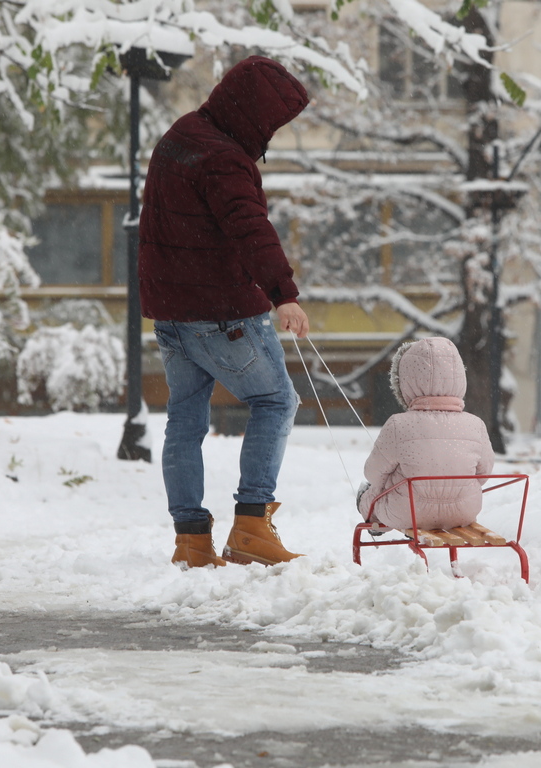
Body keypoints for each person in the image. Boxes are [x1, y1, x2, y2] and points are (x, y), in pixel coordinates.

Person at [139, 56, 311, 569]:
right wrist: (284, 293)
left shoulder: (181, 136)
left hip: (172, 314)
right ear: (254, 112)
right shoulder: (224, 159)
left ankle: (191, 541)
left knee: (185, 421)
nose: (271, 133)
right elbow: (249, 227)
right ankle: (252, 526)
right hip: (223, 314)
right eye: (272, 122)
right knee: (276, 402)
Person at [357, 337, 495, 532]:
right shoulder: (476, 424)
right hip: (463, 512)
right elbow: (484, 473)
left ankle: (377, 524)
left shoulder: (399, 424)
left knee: (373, 492)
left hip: (407, 512)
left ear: (406, 381)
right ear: (458, 376)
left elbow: (373, 472)